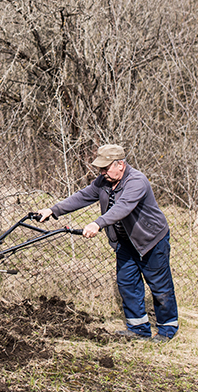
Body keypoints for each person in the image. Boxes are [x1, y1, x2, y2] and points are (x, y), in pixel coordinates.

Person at [38, 143, 178, 342]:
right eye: (100, 169)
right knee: (127, 283)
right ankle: (138, 328)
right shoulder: (104, 182)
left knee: (159, 286)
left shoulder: (136, 181)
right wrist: (53, 210)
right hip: (125, 242)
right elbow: (83, 196)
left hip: (150, 240)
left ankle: (167, 329)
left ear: (120, 164)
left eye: (106, 168)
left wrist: (98, 223)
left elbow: (123, 207)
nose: (102, 172)